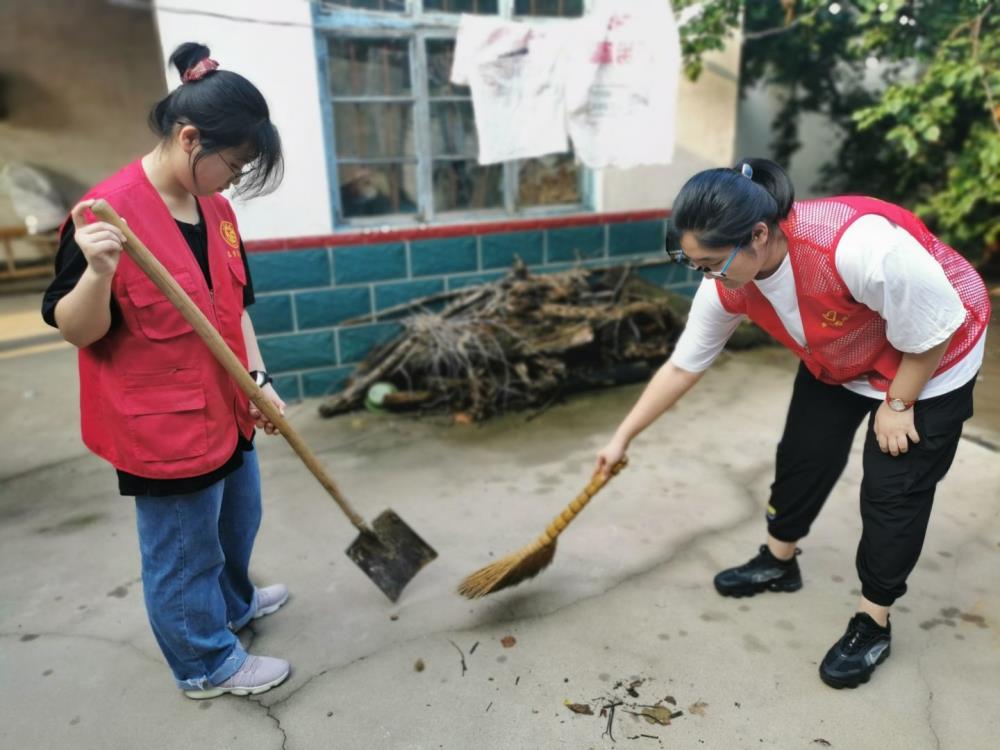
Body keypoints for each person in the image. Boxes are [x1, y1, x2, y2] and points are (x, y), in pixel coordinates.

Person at [596, 158, 990, 689]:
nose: (707, 277)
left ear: (759, 234)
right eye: (696, 266)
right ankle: (779, 561)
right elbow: (684, 364)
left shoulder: (856, 246)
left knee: (894, 490)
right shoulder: (727, 284)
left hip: (935, 353)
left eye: (713, 262)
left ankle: (872, 621)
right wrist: (622, 437)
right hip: (843, 356)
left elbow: (937, 322)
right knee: (804, 453)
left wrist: (898, 404)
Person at [41, 42, 292, 700]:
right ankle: (205, 662)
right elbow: (76, 329)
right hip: (163, 428)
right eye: (233, 164)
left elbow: (237, 307)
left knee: (240, 520)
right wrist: (96, 271)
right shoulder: (102, 217)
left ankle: (234, 606)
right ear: (189, 139)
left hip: (228, 409)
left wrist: (260, 382)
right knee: (184, 552)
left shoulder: (216, 209)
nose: (235, 180)